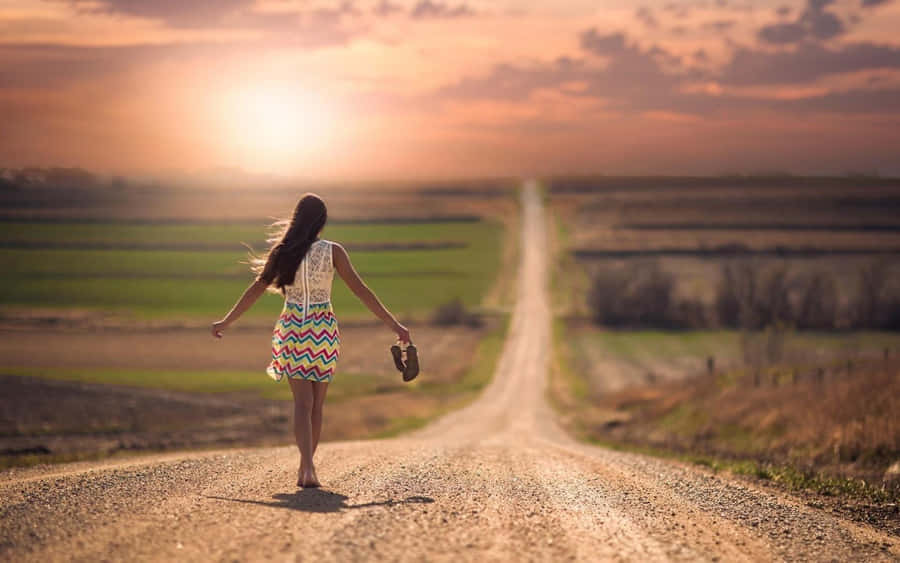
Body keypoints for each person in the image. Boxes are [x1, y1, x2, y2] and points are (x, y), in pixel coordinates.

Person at [211, 193, 410, 488]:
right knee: (316, 406)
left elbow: (256, 289)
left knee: (302, 404)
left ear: (296, 219)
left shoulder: (283, 252)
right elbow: (362, 291)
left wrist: (226, 321)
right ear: (321, 222)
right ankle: (308, 468)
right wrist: (395, 325)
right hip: (323, 331)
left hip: (293, 328)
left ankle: (307, 466)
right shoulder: (333, 251)